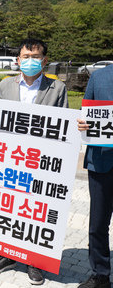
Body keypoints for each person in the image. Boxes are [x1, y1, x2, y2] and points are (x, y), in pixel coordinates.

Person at [0, 38, 68, 285]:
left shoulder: (57, 88)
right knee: (10, 205)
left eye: (35, 57)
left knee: (36, 210)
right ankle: (7, 254)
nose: (29, 61)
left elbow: (63, 125)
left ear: (44, 60)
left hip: (40, 161)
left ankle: (34, 261)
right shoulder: (5, 86)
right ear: (18, 59)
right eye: (25, 56)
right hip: (10, 159)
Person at [77, 64, 113, 288]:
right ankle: (100, 274)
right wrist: (82, 124)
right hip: (101, 161)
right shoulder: (99, 77)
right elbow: (84, 115)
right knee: (98, 223)